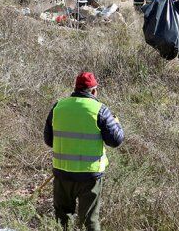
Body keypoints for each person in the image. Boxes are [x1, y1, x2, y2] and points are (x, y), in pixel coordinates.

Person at [43, 72, 124, 231]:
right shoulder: (100, 109)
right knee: (89, 221)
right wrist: (116, 123)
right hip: (90, 177)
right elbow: (115, 141)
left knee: (62, 219)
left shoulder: (58, 107)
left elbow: (49, 140)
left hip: (62, 174)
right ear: (93, 91)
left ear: (76, 88)